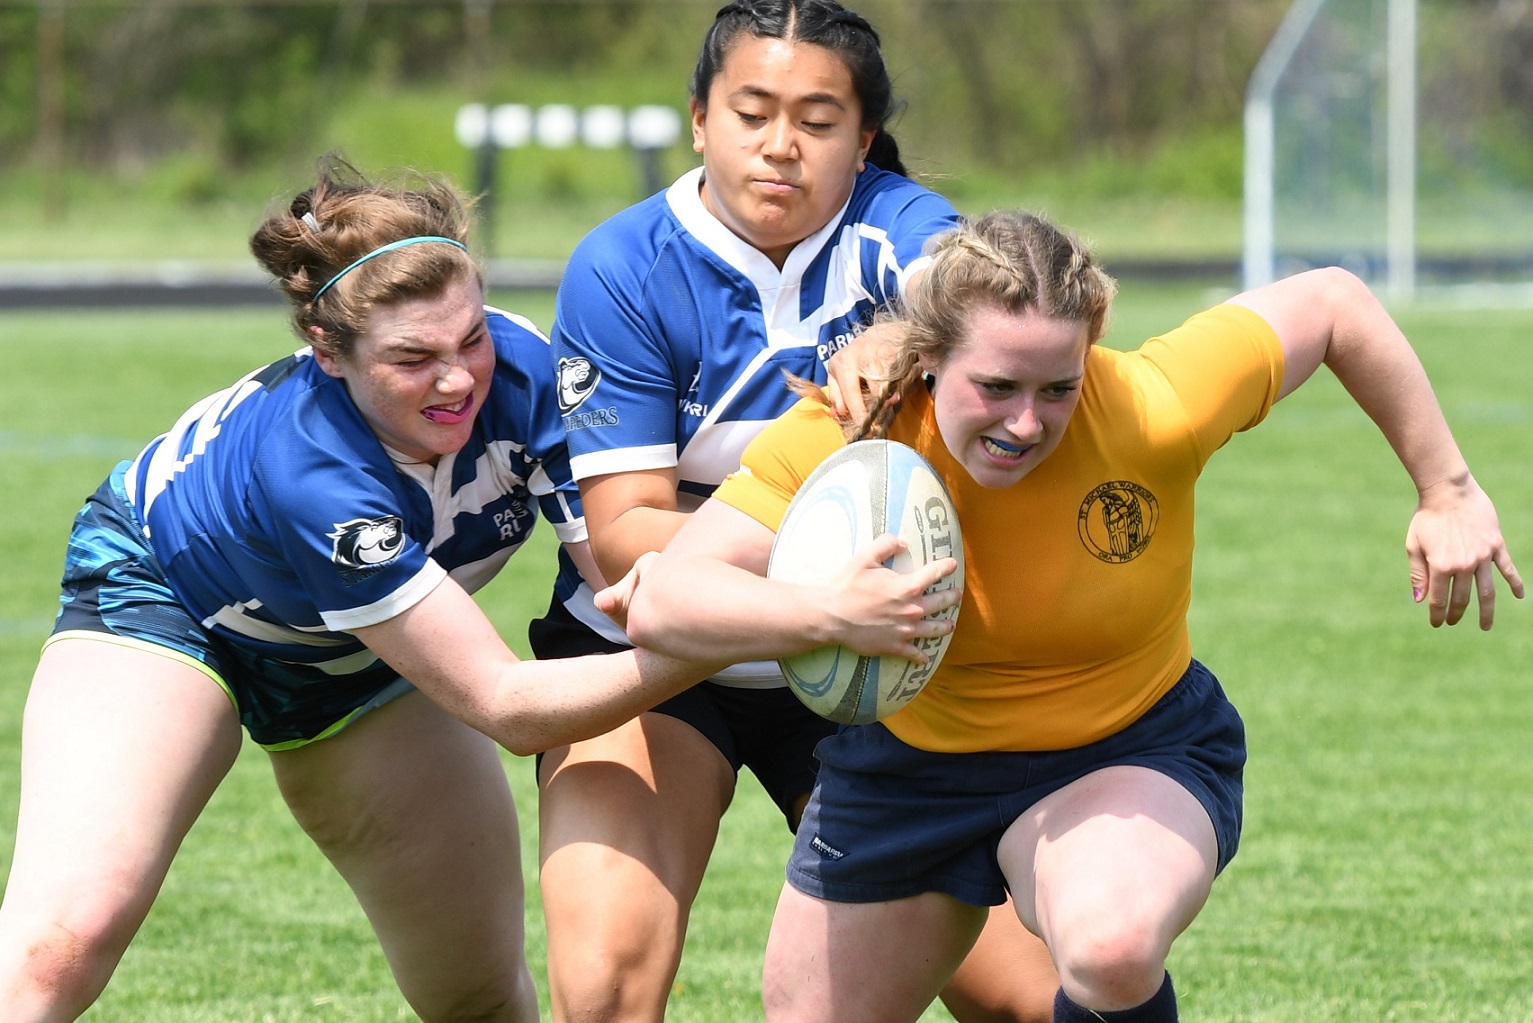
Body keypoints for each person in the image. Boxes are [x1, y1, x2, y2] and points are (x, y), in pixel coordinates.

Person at [613, 209, 1526, 1023]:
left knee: (1110, 945)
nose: (1026, 421)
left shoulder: (1148, 404)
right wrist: (828, 611)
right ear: (925, 356)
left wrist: (1445, 486)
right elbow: (664, 597)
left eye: (1057, 386)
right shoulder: (851, 434)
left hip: (1121, 743)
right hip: (906, 767)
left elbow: (1332, 302)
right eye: (997, 387)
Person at [0, 161, 790, 1023]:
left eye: (469, 338)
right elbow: (506, 704)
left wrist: (768, 584)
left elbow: (634, 580)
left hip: (363, 656)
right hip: (172, 602)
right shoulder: (313, 465)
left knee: (477, 995)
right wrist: (758, 626)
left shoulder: (532, 378)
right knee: (61, 942)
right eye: (412, 357)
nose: (456, 380)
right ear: (326, 350)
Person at [532, 2, 1059, 1021]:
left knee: (1027, 1001)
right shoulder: (624, 265)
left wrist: (911, 330)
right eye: (752, 112)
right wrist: (820, 590)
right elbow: (628, 538)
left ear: (863, 141)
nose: (782, 146)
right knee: (603, 986)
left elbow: (979, 287)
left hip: (878, 665)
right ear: (698, 119)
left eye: (819, 122)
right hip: (653, 657)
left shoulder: (896, 227)